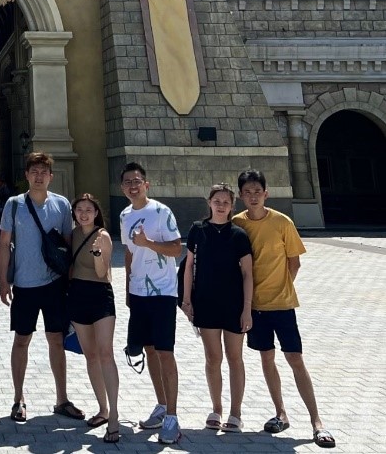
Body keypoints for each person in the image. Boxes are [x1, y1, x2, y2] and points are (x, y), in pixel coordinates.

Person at [233, 169, 335, 448]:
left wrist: (281, 287)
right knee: (266, 359)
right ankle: (281, 413)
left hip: (282, 305)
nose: (253, 197)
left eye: (258, 191)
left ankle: (317, 422)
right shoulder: (237, 224)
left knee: (295, 359)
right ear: (241, 196)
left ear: (266, 194)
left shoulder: (282, 222)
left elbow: (294, 262)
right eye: (247, 192)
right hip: (254, 307)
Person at [0, 150, 81, 424]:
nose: (39, 177)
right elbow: (4, 244)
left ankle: (62, 398)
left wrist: (71, 280)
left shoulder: (62, 205)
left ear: (51, 177)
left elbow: (69, 245)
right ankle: (18, 398)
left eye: (43, 172)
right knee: (22, 340)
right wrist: (3, 280)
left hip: (55, 284)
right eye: (34, 172)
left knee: (56, 339)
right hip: (24, 284)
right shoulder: (13, 205)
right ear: (26, 175)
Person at [120, 161, 183, 445]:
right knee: (148, 349)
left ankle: (172, 416)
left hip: (163, 292)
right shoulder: (123, 215)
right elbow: (129, 253)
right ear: (122, 188)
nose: (133, 186)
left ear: (147, 184)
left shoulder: (161, 211)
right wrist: (127, 288)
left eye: (137, 181)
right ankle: (160, 405)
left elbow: (176, 248)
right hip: (139, 293)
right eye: (127, 182)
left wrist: (148, 244)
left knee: (165, 351)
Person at [181, 183, 253, 432]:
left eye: (225, 202)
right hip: (206, 303)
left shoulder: (239, 234)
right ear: (209, 203)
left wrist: (247, 309)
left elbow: (247, 274)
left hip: (233, 305)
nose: (221, 205)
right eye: (216, 201)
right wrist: (187, 300)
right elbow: (189, 266)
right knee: (213, 358)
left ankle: (236, 413)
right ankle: (216, 408)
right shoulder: (197, 230)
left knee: (235, 359)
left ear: (232, 206)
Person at [68, 193, 119, 443]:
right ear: (74, 213)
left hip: (100, 296)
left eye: (89, 209)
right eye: (80, 209)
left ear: (96, 212)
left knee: (105, 354)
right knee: (90, 356)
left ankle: (115, 416)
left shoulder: (103, 236)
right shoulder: (73, 234)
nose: (84, 213)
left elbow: (102, 273)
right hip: (77, 294)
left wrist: (98, 255)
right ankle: (103, 408)